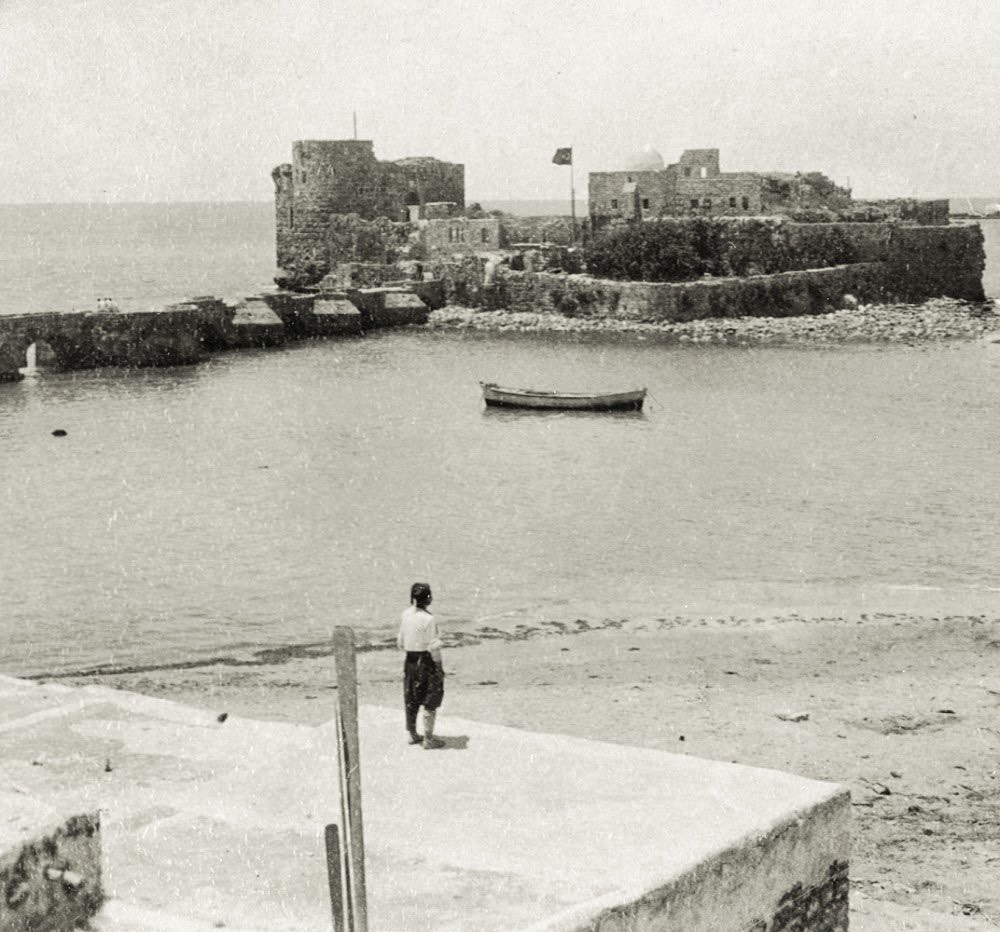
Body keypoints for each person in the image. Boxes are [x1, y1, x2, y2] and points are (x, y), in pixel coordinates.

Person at [397, 582, 445, 749]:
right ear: (428, 598)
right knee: (430, 699)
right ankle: (428, 739)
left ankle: (412, 733)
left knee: (411, 698)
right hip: (425, 661)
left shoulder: (405, 615)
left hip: (410, 660)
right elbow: (433, 646)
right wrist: (439, 666)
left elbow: (400, 643)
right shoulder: (429, 619)